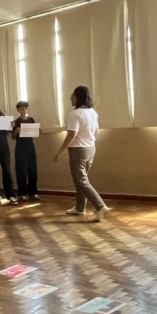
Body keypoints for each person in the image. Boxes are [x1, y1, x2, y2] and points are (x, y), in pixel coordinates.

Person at [54, 86, 110, 221]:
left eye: (73, 96)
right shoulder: (92, 112)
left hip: (78, 150)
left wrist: (60, 151)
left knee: (81, 180)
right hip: (90, 148)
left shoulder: (75, 114)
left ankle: (100, 206)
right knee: (81, 180)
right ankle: (80, 208)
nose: (70, 98)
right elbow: (96, 131)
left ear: (78, 97)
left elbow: (71, 135)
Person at [11, 101, 40, 201]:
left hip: (30, 146)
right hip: (20, 147)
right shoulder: (16, 121)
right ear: (18, 110)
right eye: (22, 108)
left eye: (26, 108)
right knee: (21, 170)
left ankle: (33, 192)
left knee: (32, 170)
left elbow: (35, 132)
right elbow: (13, 137)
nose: (24, 110)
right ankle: (22, 193)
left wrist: (37, 130)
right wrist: (16, 131)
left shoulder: (31, 120)